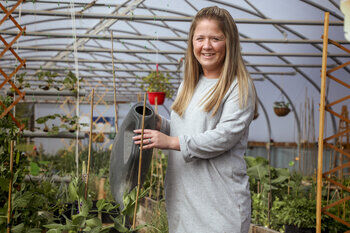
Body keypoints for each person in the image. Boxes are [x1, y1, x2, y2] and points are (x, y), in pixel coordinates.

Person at [133, 6, 257, 233]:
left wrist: (170, 142)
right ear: (192, 43)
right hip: (184, 202)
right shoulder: (188, 85)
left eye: (215, 39)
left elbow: (224, 137)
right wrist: (164, 126)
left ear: (229, 42)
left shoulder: (239, 87)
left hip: (220, 205)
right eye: (200, 38)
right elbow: (189, 131)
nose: (206, 46)